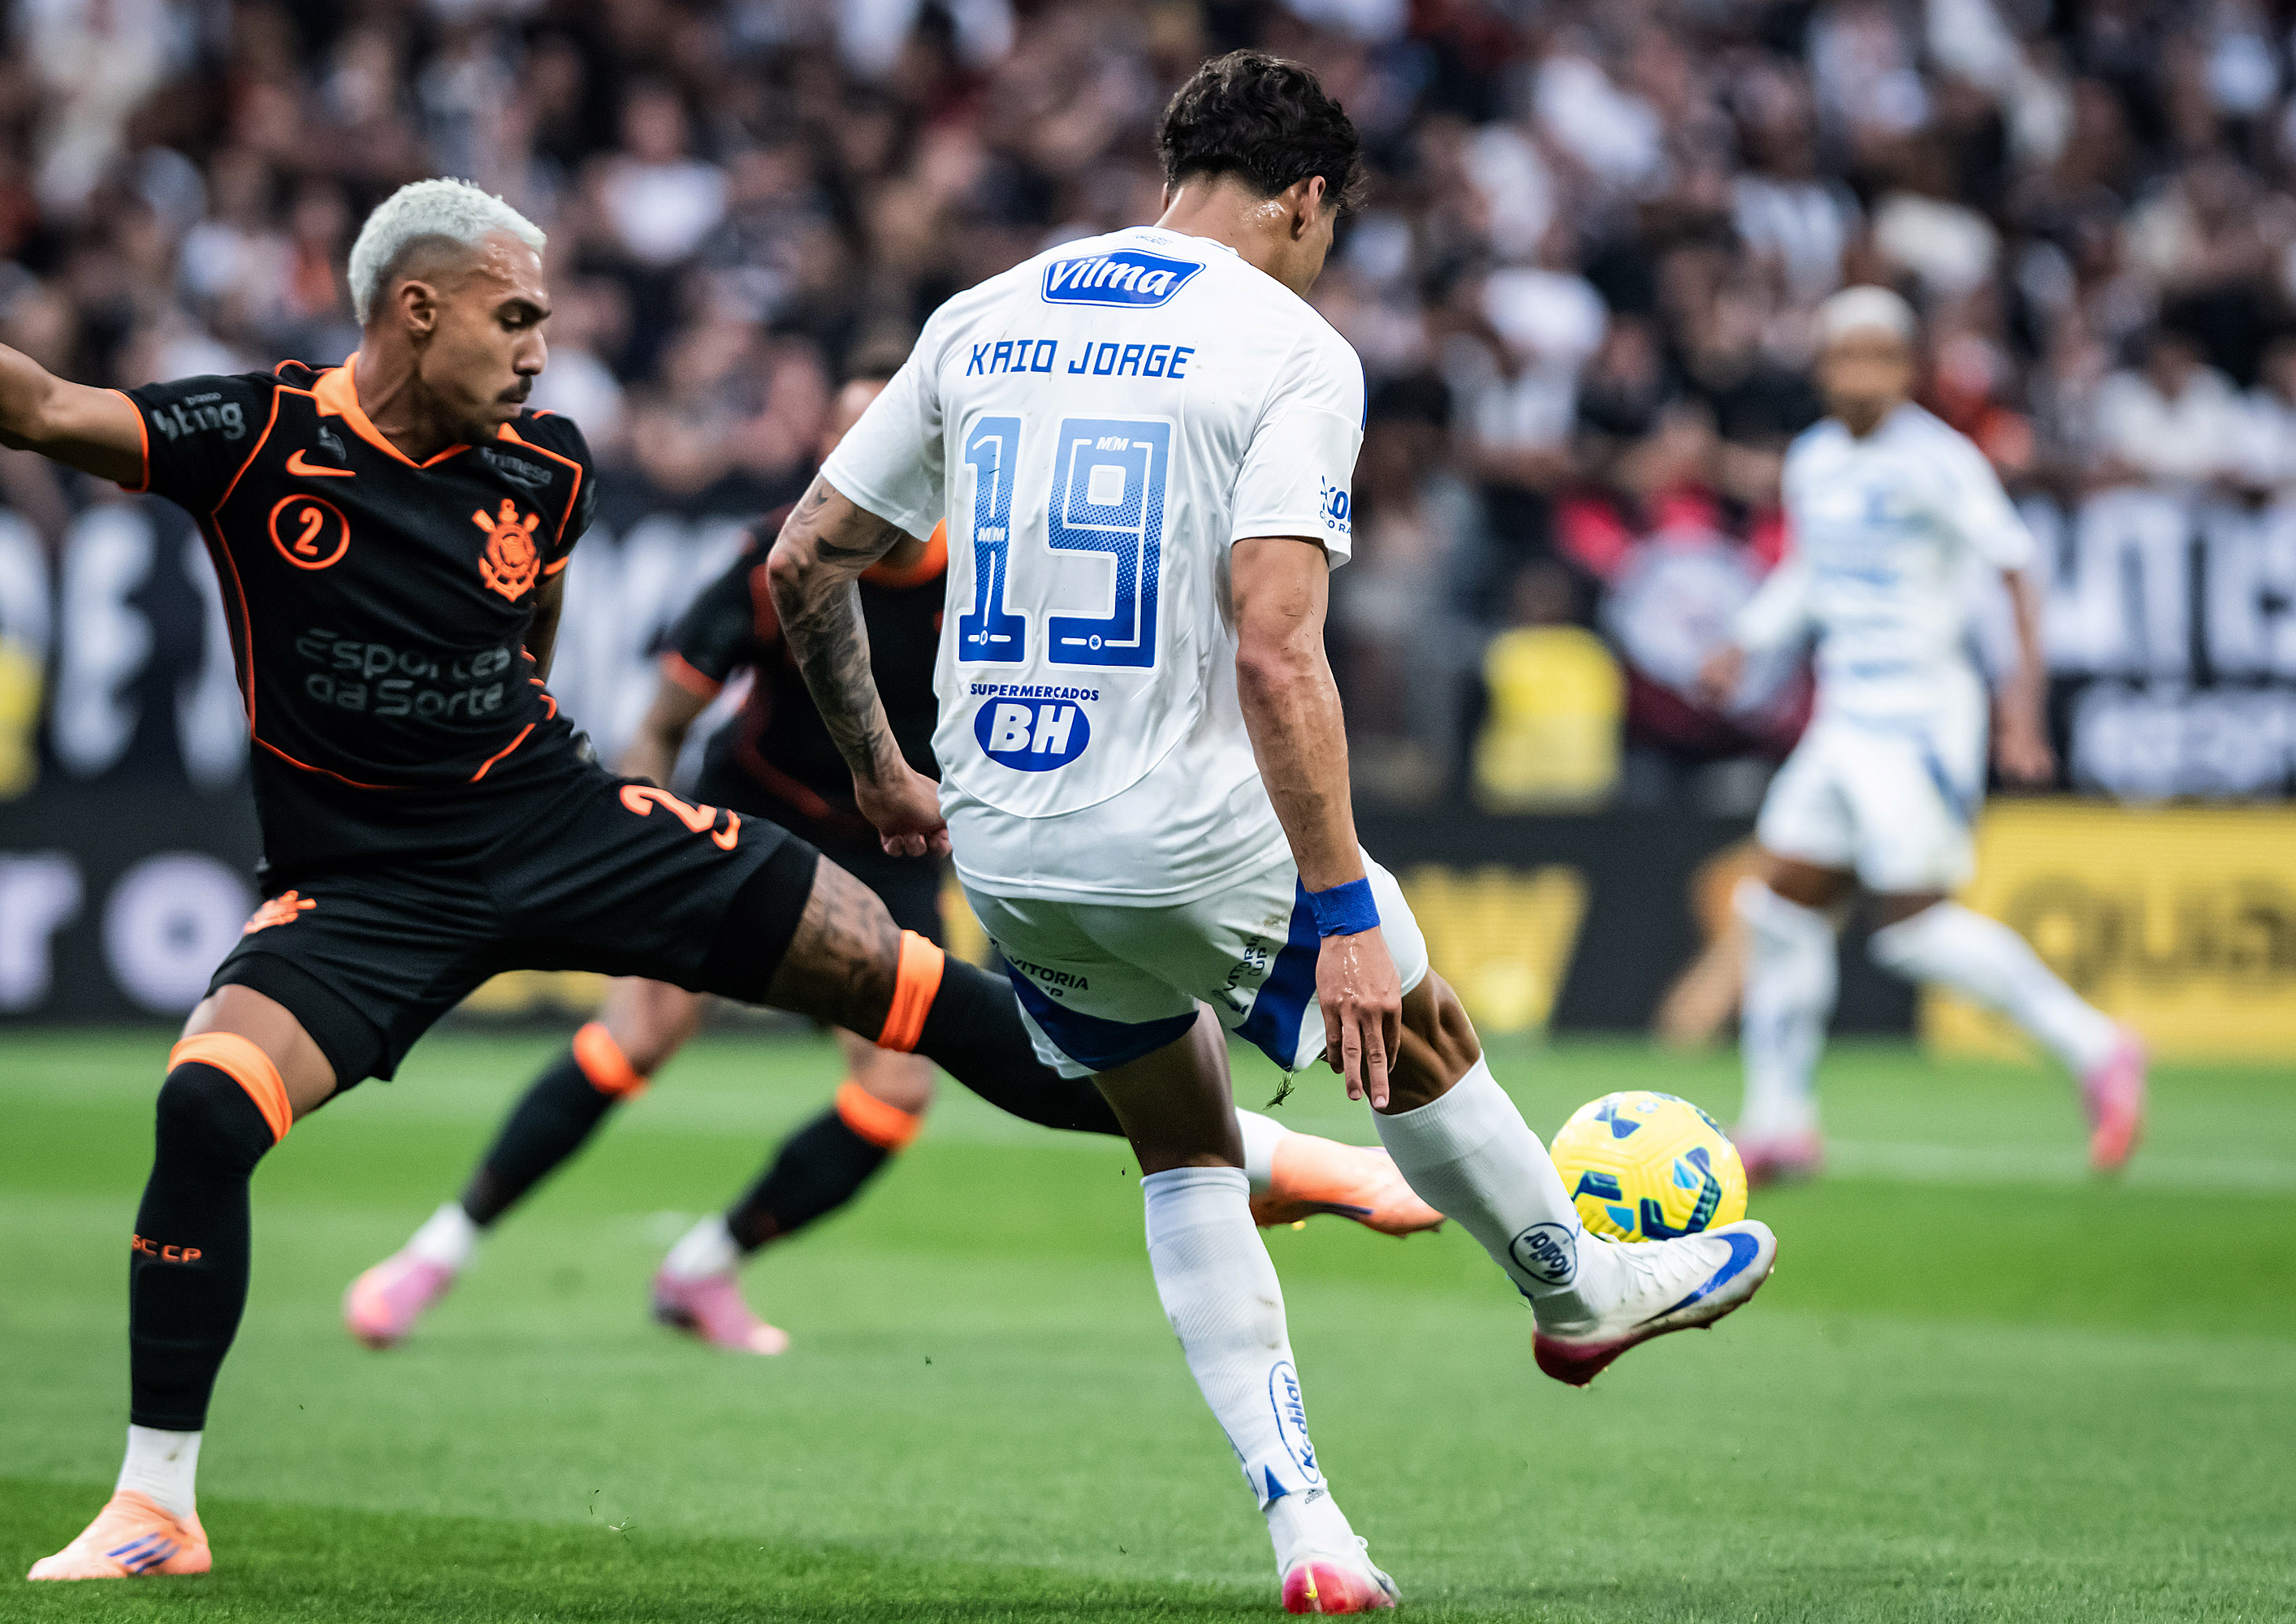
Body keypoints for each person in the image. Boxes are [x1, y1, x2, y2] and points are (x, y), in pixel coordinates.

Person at [0, 178, 1214, 1584]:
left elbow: (536, 615)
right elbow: (39, 409)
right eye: (516, 317)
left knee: (899, 999)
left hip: (553, 824)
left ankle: (1242, 1147)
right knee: (207, 1105)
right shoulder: (258, 434)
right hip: (374, 885)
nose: (538, 348)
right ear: (416, 305)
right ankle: (157, 1505)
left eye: (546, 322)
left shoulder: (547, 469)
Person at [768, 52, 1777, 1614]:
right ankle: (1581, 1293)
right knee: (1420, 1032)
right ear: (1307, 200)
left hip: (1008, 839)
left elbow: (804, 558)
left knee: (1184, 1146)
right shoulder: (1290, 347)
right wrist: (1339, 905)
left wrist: (885, 773)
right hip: (1185, 826)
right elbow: (1276, 645)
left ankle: (1306, 1525)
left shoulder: (986, 311)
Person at [344, 356, 1442, 1358]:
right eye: (841, 443)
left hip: (893, 842)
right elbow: (666, 723)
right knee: (638, 1033)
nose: (856, 469)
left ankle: (703, 1269)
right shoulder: (785, 559)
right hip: (755, 814)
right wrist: (632, 832)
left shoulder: (997, 566)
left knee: (896, 1089)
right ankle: (435, 1255)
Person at [1698, 285, 2147, 1185]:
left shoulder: (1939, 461)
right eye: (1843, 356)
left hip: (1920, 722)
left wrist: (2022, 705)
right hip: (1843, 719)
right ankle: (1781, 1121)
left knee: (1911, 928)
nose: (1859, 374)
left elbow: (2015, 570)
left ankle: (2097, 1045)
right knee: (1781, 906)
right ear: (1823, 367)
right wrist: (1748, 638)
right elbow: (1811, 576)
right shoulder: (1817, 459)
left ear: (1906, 369)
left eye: (1877, 356)